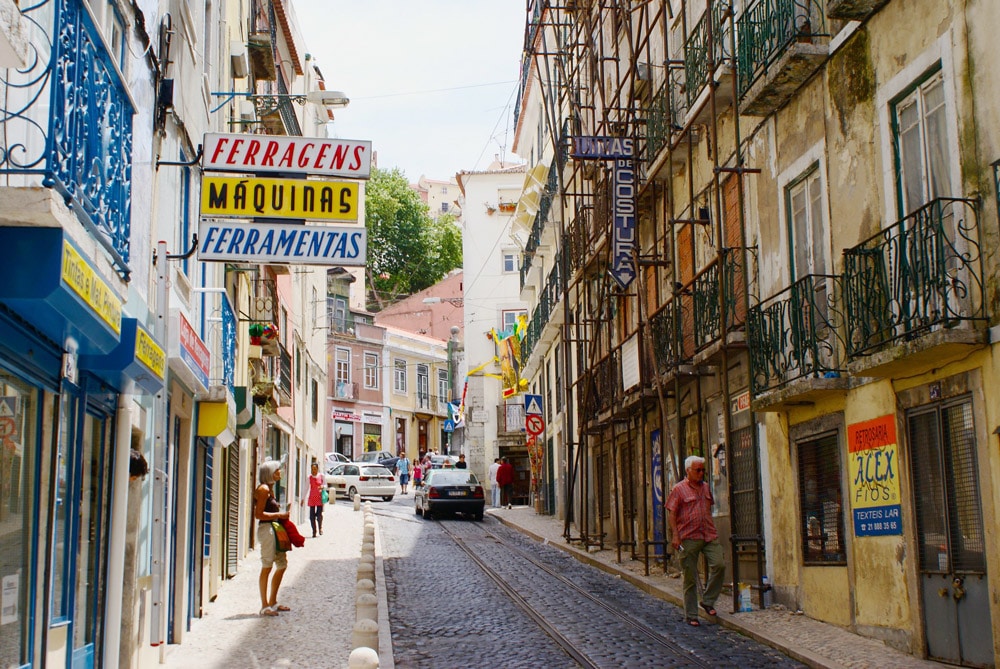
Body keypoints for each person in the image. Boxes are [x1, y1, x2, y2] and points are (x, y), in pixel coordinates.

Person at [666, 455, 725, 627]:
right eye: (697, 470)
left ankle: (707, 600)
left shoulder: (706, 487)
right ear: (688, 471)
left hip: (708, 535)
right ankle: (691, 614)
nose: (701, 473)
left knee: (719, 564)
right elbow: (672, 514)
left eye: (702, 470)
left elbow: (708, 508)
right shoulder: (678, 489)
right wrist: (675, 536)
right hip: (688, 537)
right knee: (690, 577)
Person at [254, 460, 290, 617]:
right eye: (277, 470)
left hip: (275, 528)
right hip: (267, 529)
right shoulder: (263, 490)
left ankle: (273, 602)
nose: (279, 473)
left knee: (282, 564)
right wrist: (279, 514)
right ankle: (264, 605)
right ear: (269, 472)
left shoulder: (271, 489)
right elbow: (258, 514)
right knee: (267, 566)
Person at [306, 462, 325, 538]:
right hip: (312, 498)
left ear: (317, 469)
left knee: (319, 515)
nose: (313, 470)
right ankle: (314, 531)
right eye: (312, 469)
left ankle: (320, 527)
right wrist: (303, 499)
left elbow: (325, 484)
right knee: (311, 516)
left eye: (315, 469)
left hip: (319, 498)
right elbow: (306, 487)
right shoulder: (309, 477)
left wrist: (322, 487)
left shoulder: (321, 476)